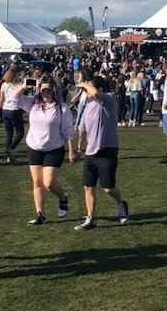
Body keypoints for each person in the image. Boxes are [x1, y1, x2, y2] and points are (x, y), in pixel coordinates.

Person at [15, 74, 76, 225]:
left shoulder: (61, 108)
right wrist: (25, 85)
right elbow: (14, 99)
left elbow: (68, 130)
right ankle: (40, 215)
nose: (46, 94)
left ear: (54, 91)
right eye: (43, 91)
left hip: (54, 148)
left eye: (48, 91)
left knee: (48, 183)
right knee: (37, 182)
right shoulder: (33, 105)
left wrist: (71, 150)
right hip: (34, 147)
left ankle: (63, 197)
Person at [74, 76, 129, 230]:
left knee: (108, 188)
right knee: (88, 187)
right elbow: (82, 130)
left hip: (107, 150)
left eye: (89, 88)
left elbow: (95, 93)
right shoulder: (88, 106)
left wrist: (84, 83)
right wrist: (79, 149)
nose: (86, 91)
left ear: (100, 89)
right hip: (91, 152)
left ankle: (121, 203)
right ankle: (91, 219)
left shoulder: (109, 101)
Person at [0, 65, 26, 162]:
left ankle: (9, 155)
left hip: (5, 110)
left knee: (9, 133)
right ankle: (11, 148)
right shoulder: (20, 84)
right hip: (14, 110)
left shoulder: (4, 85)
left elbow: (1, 100)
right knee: (20, 132)